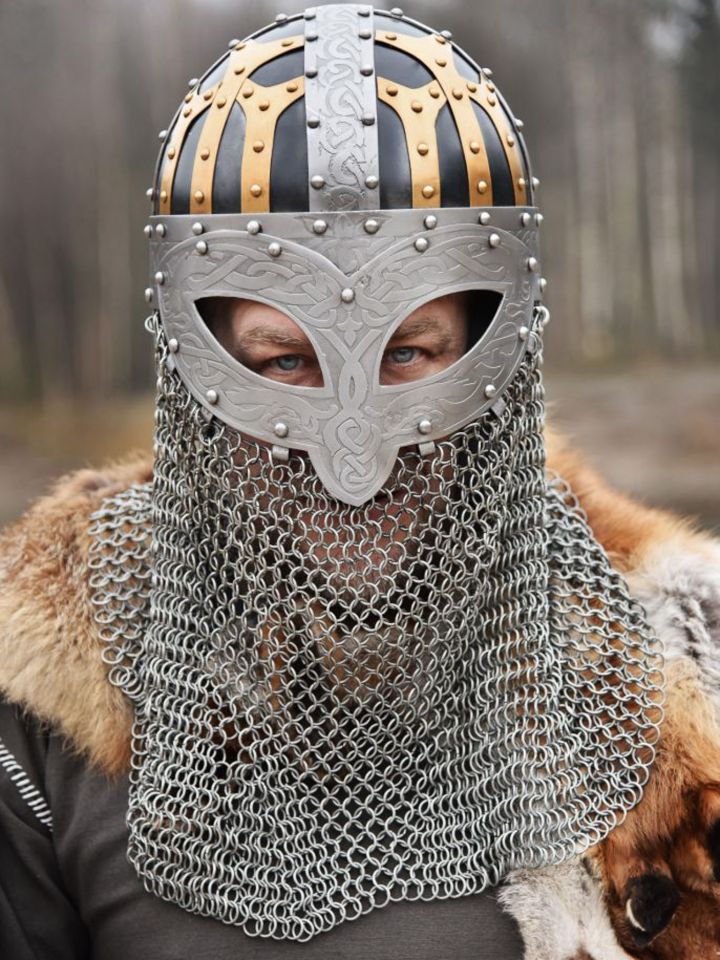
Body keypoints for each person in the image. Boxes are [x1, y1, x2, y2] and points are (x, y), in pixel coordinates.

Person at [1, 5, 719, 959]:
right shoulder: (59, 692)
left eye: (411, 353)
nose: (352, 452)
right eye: (283, 363)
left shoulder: (676, 666)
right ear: (197, 365)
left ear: (493, 353)